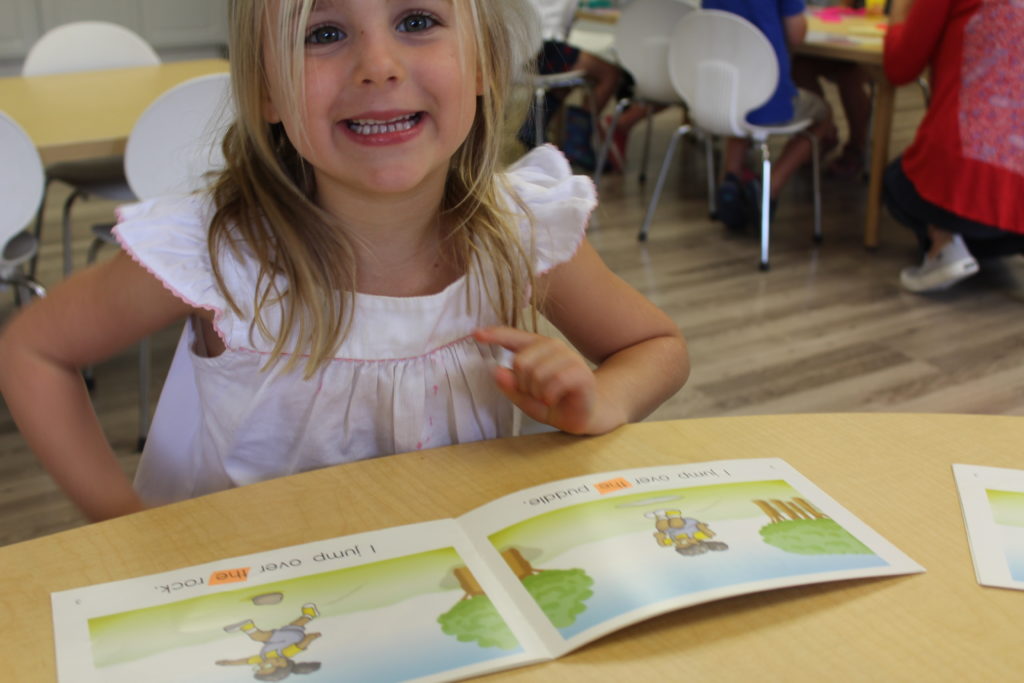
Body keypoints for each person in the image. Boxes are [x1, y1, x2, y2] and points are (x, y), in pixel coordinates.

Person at [0, 0, 689, 520]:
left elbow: (658, 346)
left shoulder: (519, 230)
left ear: (482, 64)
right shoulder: (217, 252)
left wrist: (600, 400)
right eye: (323, 34)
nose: (377, 65)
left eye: (416, 20)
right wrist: (124, 528)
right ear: (267, 91)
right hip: (247, 606)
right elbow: (33, 351)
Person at [883, 0, 1024, 293]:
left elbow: (899, 68)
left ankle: (945, 242)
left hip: (962, 178)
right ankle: (967, 239)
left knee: (896, 182)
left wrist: (898, 14)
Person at [702, 0, 837, 231]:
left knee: (741, 108)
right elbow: (796, 35)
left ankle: (731, 179)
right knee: (823, 113)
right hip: (767, 94)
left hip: (722, 94)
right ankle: (771, 186)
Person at [520, 0, 625, 153]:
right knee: (610, 74)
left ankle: (534, 127)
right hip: (545, 47)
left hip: (520, 52)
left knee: (573, 74)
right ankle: (577, 143)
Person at [792, 0, 872, 178]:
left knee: (850, 72)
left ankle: (857, 145)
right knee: (799, 66)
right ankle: (824, 133)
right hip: (819, 33)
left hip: (859, 39)